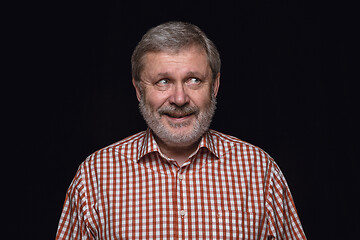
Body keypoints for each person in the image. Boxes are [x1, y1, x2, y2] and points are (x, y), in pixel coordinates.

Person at [56, 21, 306, 239]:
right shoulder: (95, 176)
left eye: (193, 80)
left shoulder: (259, 171)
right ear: (138, 90)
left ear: (215, 86)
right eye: (163, 81)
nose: (179, 98)